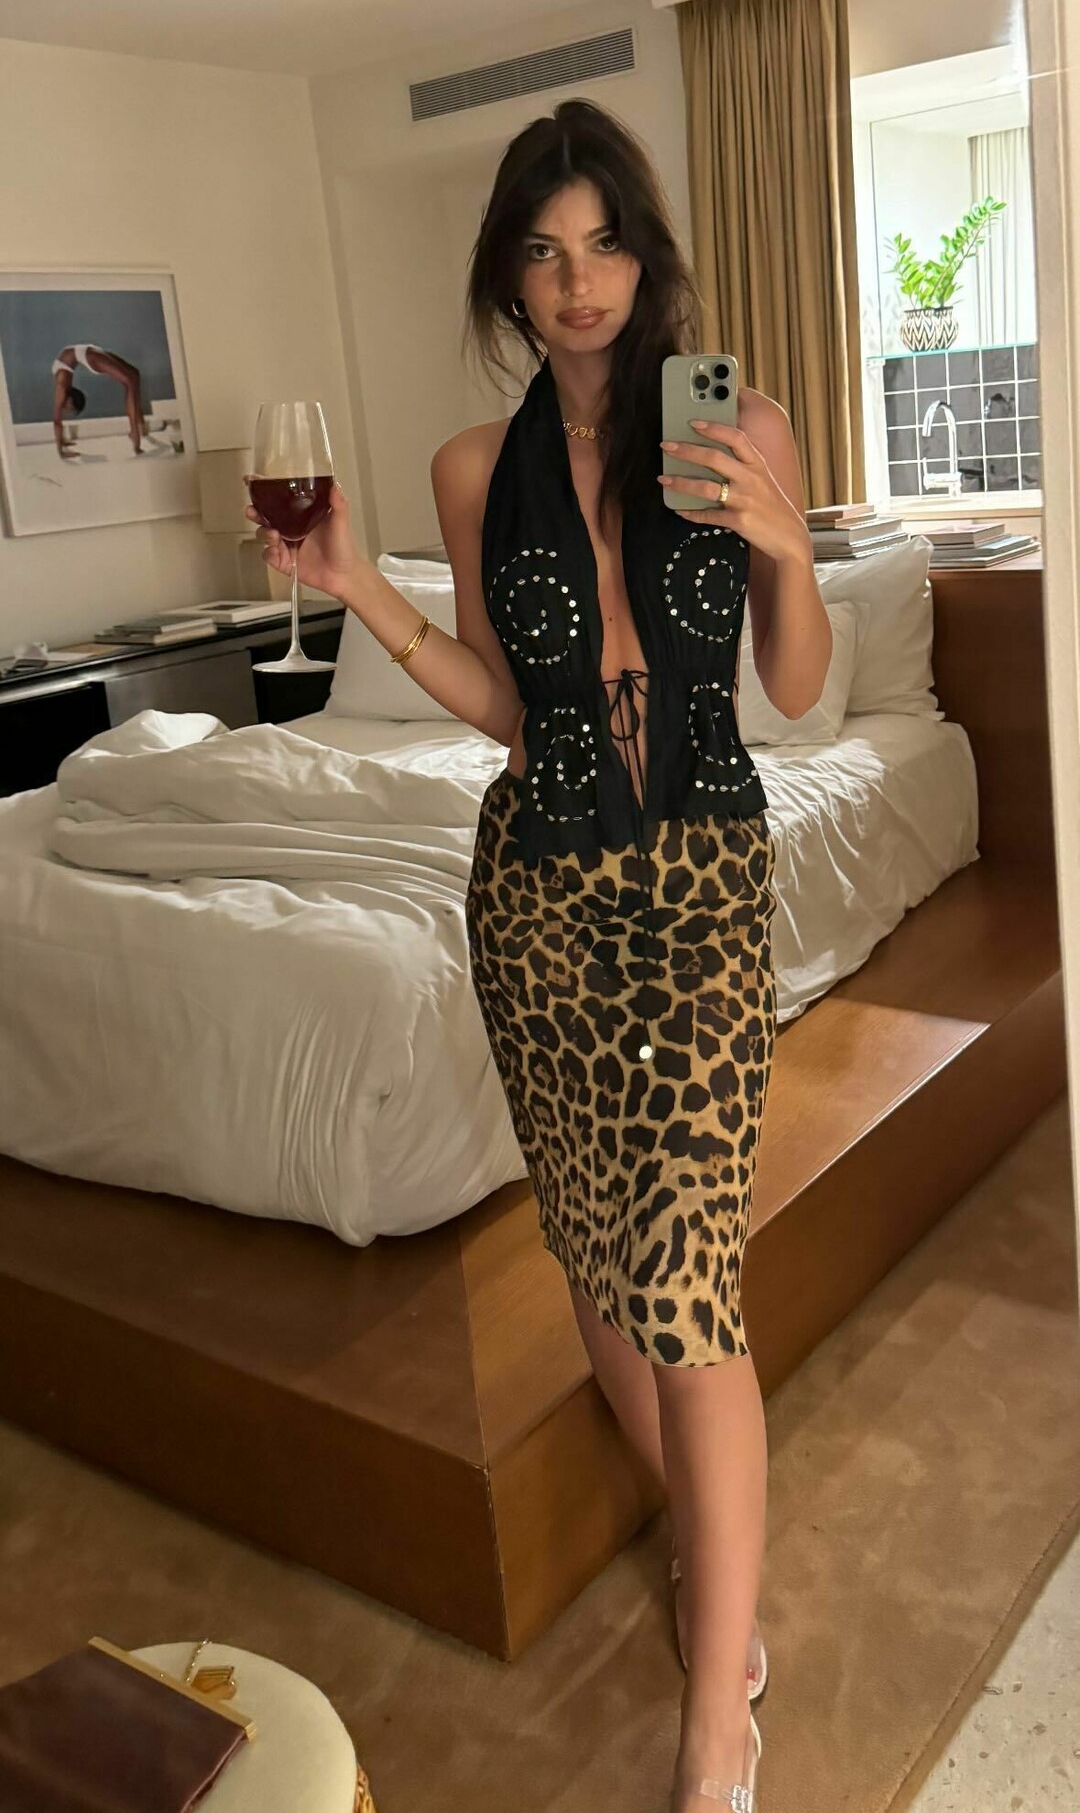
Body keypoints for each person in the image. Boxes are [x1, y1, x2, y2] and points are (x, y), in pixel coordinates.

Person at [248, 97, 833, 1813]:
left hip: (700, 890)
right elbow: (512, 707)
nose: (579, 281)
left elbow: (797, 688)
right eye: (543, 251)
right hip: (541, 902)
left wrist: (790, 543)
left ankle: (715, 1718)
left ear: (646, 257)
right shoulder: (468, 472)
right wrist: (354, 585)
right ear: (512, 277)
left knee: (689, 1278)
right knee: (595, 1256)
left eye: (604, 244)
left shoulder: (738, 424)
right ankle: (709, 1555)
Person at [50, 343, 151, 458]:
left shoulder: (62, 386)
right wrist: (62, 441)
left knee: (133, 377)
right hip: (87, 352)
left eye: (69, 408)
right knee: (132, 379)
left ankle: (135, 430)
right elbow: (59, 421)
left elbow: (57, 421)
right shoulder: (64, 382)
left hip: (88, 354)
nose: (66, 409)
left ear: (71, 400)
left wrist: (61, 452)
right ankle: (139, 425)